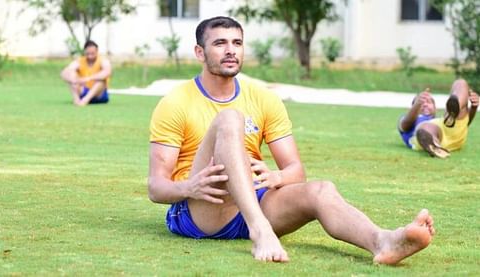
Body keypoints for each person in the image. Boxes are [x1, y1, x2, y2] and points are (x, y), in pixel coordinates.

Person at [148, 16, 435, 264]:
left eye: (237, 43)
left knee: (321, 190)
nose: (230, 51)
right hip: (202, 210)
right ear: (200, 52)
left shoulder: (263, 98)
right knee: (229, 119)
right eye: (220, 43)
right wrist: (189, 186)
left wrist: (277, 176)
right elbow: (156, 188)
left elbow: (296, 170)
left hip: (253, 202)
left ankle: (384, 241)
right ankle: (260, 231)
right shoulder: (176, 102)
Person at [409, 79, 478, 158]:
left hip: (450, 127)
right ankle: (435, 145)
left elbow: (465, 125)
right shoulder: (410, 121)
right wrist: (417, 105)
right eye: (421, 103)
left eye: (428, 102)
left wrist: (473, 108)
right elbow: (404, 123)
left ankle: (455, 108)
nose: (425, 105)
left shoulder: (439, 119)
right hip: (427, 136)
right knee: (424, 128)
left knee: (460, 83)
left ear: (435, 108)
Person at [60, 40, 112, 106]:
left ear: (97, 51)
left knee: (101, 81)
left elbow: (107, 72)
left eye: (92, 53)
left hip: (99, 95)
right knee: (71, 74)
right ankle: (76, 100)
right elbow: (64, 72)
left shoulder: (103, 61)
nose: (90, 56)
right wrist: (74, 80)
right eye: (88, 54)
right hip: (83, 91)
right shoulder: (80, 61)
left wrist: (88, 78)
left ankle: (85, 101)